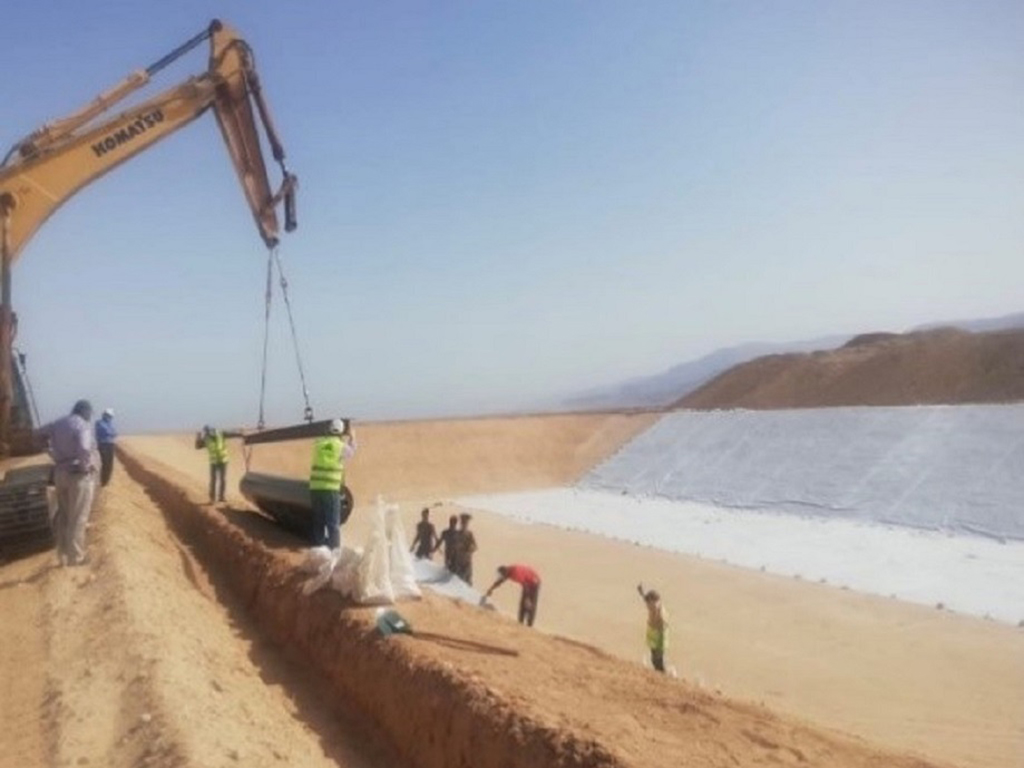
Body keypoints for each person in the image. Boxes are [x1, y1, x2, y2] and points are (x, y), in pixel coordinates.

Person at [35, 399, 97, 566]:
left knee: (64, 515)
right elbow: (84, 448)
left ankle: (62, 556)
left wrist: (49, 450)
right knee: (78, 517)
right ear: (85, 412)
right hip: (77, 475)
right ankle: (76, 558)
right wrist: (85, 466)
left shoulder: (58, 423)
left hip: (60, 473)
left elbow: (38, 433)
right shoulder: (82, 425)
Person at [308, 419, 356, 548]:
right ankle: (334, 552)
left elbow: (324, 443)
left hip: (315, 489)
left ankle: (320, 549)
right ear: (341, 432)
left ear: (329, 430)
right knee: (333, 524)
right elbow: (352, 452)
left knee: (318, 521)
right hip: (330, 489)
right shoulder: (340, 446)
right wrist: (352, 436)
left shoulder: (318, 443)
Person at [637, 583, 669, 673]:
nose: (649, 606)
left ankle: (662, 673)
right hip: (653, 633)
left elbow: (663, 625)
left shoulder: (660, 612)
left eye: (651, 603)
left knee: (658, 658)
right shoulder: (651, 605)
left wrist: (660, 640)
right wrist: (641, 592)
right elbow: (645, 599)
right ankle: (659, 672)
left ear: (657, 601)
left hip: (659, 635)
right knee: (654, 657)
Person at [199, 425, 229, 503]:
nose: (207, 434)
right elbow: (197, 446)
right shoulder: (206, 439)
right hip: (214, 462)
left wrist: (241, 433)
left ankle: (222, 497)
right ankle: (212, 499)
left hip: (223, 460)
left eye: (208, 432)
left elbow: (232, 434)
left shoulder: (221, 434)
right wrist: (198, 437)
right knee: (213, 480)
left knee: (223, 479)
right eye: (206, 433)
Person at [452, 512, 477, 585]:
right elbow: (455, 547)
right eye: (463, 522)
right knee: (459, 583)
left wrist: (470, 548)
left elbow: (475, 546)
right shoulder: (457, 534)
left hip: (468, 562)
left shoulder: (470, 534)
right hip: (459, 562)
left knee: (469, 582)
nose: (465, 524)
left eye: (466, 522)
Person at [94, 408, 118, 487]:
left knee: (110, 464)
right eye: (107, 415)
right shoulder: (99, 423)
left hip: (110, 445)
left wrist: (111, 433)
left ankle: (106, 481)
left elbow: (114, 433)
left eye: (110, 416)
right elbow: (108, 431)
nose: (108, 417)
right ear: (104, 415)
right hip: (103, 445)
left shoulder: (109, 424)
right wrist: (111, 433)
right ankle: (102, 481)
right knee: (104, 463)